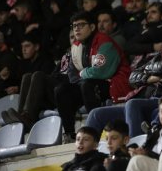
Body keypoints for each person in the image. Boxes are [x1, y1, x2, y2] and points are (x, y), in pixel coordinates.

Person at [85, 19, 162, 136]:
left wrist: (147, 69)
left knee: (132, 104)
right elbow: (133, 76)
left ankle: (136, 148)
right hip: (145, 100)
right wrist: (148, 79)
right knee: (95, 114)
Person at [56, 11, 131, 142]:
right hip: (90, 85)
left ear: (91, 27)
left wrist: (82, 73)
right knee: (62, 90)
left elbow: (101, 72)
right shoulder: (76, 46)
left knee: (87, 85)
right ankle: (69, 134)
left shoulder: (104, 42)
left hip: (113, 84)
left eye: (81, 25)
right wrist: (83, 75)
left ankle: (94, 131)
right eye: (74, 26)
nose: (77, 29)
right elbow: (71, 74)